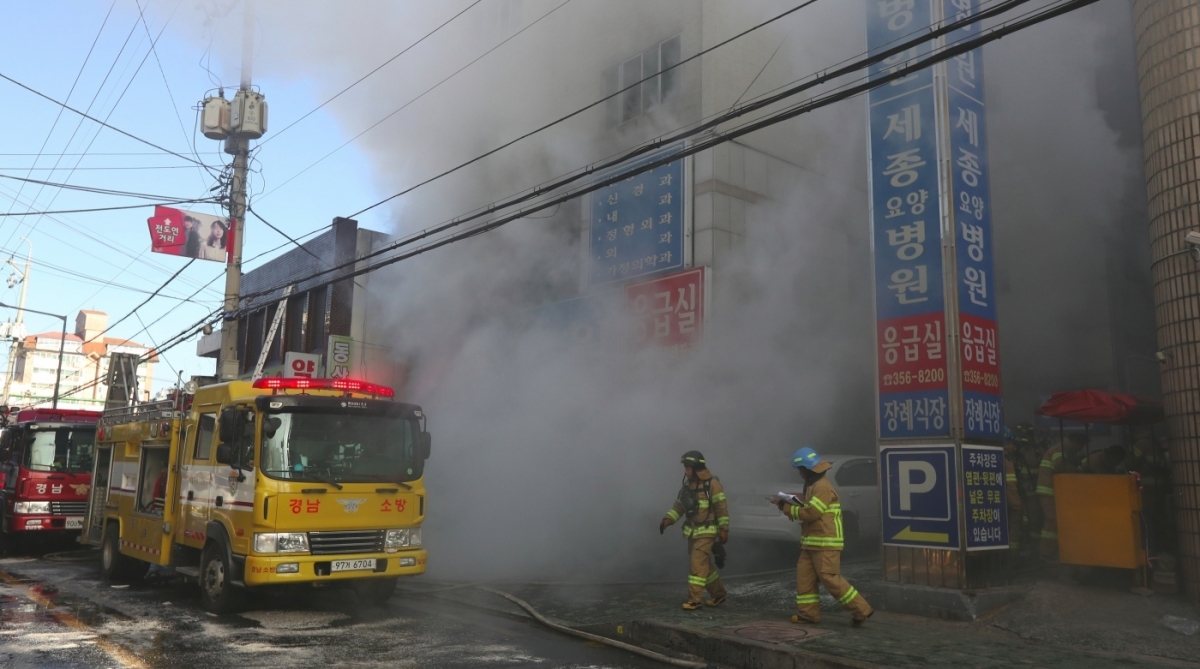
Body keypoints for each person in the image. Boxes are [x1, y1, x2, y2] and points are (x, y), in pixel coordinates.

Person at [777, 447, 873, 627]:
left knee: (830, 579)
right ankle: (808, 615)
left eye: (800, 470)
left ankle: (861, 610)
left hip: (825, 544)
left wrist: (787, 508)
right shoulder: (814, 485)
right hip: (812, 542)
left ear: (808, 469)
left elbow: (812, 513)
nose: (799, 474)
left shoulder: (822, 487)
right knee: (805, 577)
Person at [659, 450, 729, 610]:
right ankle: (718, 594)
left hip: (707, 532)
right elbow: (679, 506)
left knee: (697, 564)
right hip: (693, 532)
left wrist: (724, 530)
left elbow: (721, 508)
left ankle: (694, 599)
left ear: (696, 467)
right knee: (705, 566)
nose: (685, 471)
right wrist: (668, 520)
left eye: (687, 467)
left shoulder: (712, 485)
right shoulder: (687, 487)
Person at [1035, 433, 1087, 560]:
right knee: (1052, 520)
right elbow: (1060, 465)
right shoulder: (1060, 450)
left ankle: (1053, 551)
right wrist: (1077, 469)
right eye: (1080, 446)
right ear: (1073, 442)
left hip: (1055, 491)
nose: (1080, 449)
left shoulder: (1065, 450)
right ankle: (1045, 553)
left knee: (1056, 521)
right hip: (1048, 490)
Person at [1003, 428, 1023, 556]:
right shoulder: (1006, 461)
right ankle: (1012, 557)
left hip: (999, 502)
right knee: (1013, 529)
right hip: (1009, 502)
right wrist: (1017, 504)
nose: (1013, 447)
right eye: (1010, 442)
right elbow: (1010, 485)